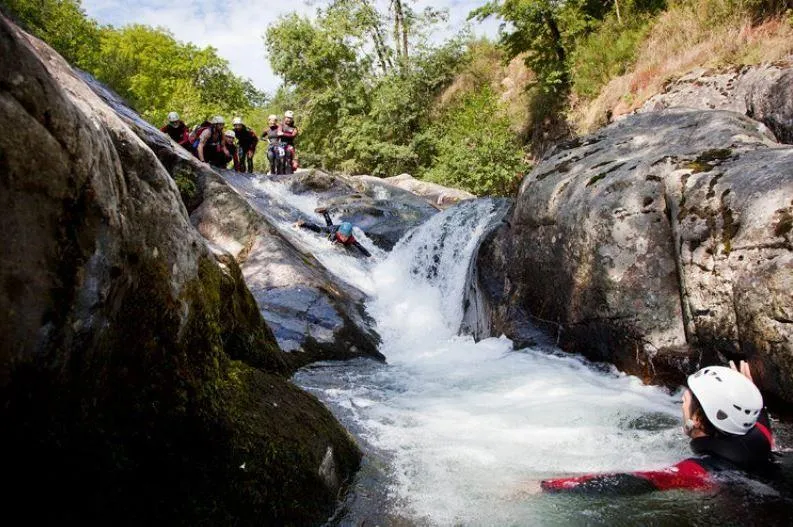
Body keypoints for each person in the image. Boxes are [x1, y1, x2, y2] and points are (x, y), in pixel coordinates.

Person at [541, 360, 774, 495]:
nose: (684, 398)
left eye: (690, 397)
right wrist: (746, 394)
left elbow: (631, 481)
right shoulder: (760, 438)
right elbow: (759, 417)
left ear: (699, 420)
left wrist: (548, 486)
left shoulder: (699, 472)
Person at [294, 207, 371, 257]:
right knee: (320, 229)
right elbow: (329, 243)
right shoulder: (335, 233)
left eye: (346, 236)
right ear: (339, 233)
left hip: (338, 228)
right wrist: (332, 241)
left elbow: (360, 247)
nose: (344, 238)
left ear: (349, 235)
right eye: (342, 236)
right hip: (334, 229)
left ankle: (325, 212)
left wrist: (369, 255)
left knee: (330, 225)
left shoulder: (351, 239)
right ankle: (303, 224)